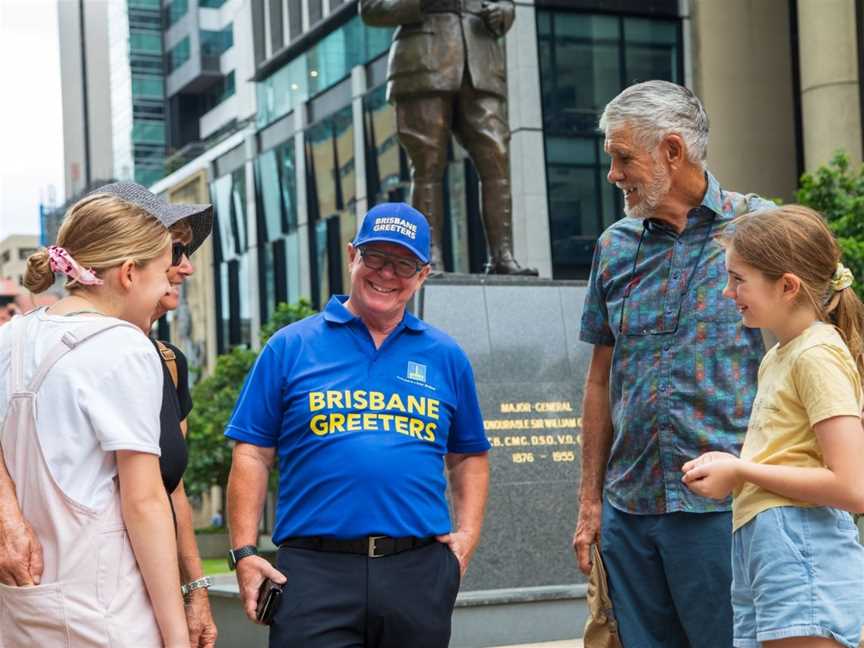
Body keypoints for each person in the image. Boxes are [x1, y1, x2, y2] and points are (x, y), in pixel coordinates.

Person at [225, 202, 490, 647]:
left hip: (417, 571)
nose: (387, 274)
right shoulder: (289, 346)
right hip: (312, 573)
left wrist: (466, 539)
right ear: (352, 255)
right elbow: (252, 452)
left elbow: (469, 456)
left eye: (403, 263)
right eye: (376, 257)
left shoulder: (446, 355)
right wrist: (245, 553)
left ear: (422, 275)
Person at [571, 80, 774, 648]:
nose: (613, 173)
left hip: (727, 509)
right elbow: (599, 380)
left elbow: (809, 354)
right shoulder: (614, 246)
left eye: (622, 156)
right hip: (629, 512)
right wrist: (590, 505)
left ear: (672, 150)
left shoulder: (759, 228)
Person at [0, 182, 217, 647]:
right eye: (165, 266)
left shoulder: (12, 338)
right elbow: (145, 503)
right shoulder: (123, 347)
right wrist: (177, 637)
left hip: (24, 612)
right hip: (107, 611)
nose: (172, 279)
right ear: (127, 273)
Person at [682, 205, 864, 648]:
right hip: (766, 543)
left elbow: (852, 485)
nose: (728, 292)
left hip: (799, 543)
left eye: (738, 278)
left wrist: (740, 471)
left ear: (787, 286)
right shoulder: (781, 355)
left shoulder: (815, 354)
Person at [359, 0, 535, 275]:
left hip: (481, 63)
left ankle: (502, 255)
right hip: (422, 61)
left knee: (496, 156)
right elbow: (372, 8)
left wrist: (504, 12)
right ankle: (429, 256)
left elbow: (506, 4)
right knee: (427, 162)